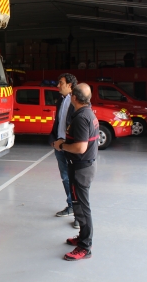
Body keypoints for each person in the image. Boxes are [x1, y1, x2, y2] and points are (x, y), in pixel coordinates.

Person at [54, 83, 99, 261]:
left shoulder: (81, 118)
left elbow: (80, 147)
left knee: (83, 207)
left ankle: (85, 247)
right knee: (79, 205)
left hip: (81, 168)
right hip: (82, 167)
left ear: (74, 98)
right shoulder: (88, 113)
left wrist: (61, 145)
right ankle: (82, 237)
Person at [49, 73, 80, 229]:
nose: (57, 86)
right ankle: (71, 206)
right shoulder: (60, 100)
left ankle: (78, 215)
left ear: (70, 85)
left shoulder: (77, 101)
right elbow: (58, 123)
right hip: (59, 146)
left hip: (70, 147)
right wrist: (53, 140)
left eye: (60, 83)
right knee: (65, 178)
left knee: (75, 180)